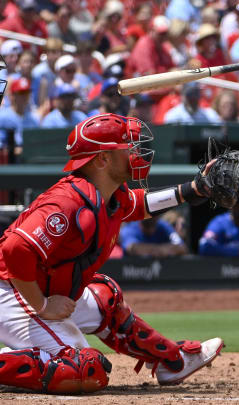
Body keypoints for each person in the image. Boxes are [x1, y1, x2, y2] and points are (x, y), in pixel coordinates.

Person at [0, 113, 223, 393]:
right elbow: (14, 250)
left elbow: (140, 204)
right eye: (127, 147)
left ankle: (173, 362)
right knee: (84, 369)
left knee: (106, 298)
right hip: (13, 294)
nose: (136, 152)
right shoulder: (66, 203)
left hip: (44, 292)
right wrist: (43, 306)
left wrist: (193, 189)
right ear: (102, 159)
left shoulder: (109, 194)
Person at [0, 77, 40, 154]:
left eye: (27, 93)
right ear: (13, 96)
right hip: (9, 162)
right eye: (21, 93)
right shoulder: (2, 117)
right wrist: (13, 150)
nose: (24, 97)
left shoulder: (33, 119)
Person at [120, 216, 188, 258]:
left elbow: (182, 247)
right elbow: (132, 248)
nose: (152, 216)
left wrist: (160, 250)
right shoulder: (130, 228)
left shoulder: (163, 226)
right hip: (133, 272)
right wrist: (159, 250)